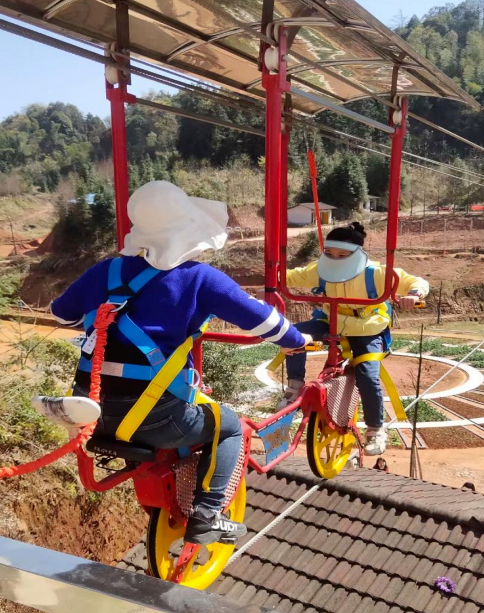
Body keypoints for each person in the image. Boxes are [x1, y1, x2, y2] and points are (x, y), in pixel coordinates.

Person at [50, 181, 311, 546]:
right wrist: (298, 342)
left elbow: (61, 314)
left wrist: (104, 319)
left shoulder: (105, 271)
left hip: (89, 411)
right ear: (187, 229)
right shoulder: (199, 278)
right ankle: (208, 514)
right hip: (154, 416)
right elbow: (264, 321)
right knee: (230, 428)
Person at [280, 222, 429, 456]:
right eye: (330, 254)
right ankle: (295, 386)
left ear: (358, 253)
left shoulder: (376, 274)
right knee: (292, 335)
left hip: (366, 327)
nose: (335, 259)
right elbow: (289, 277)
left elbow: (414, 281)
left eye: (342, 255)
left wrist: (414, 294)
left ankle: (375, 429)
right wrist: (271, 281)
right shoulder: (321, 270)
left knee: (367, 375)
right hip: (331, 321)